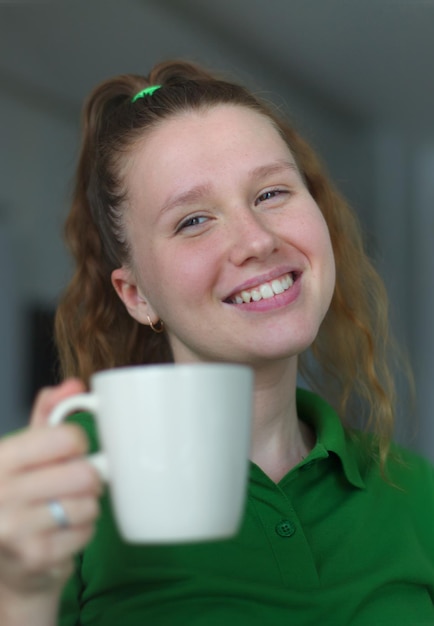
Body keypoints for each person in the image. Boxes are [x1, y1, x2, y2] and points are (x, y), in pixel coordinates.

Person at [0, 59, 433, 626]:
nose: (256, 239)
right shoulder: (48, 489)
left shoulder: (415, 492)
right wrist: (19, 592)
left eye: (272, 192)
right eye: (193, 221)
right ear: (137, 296)